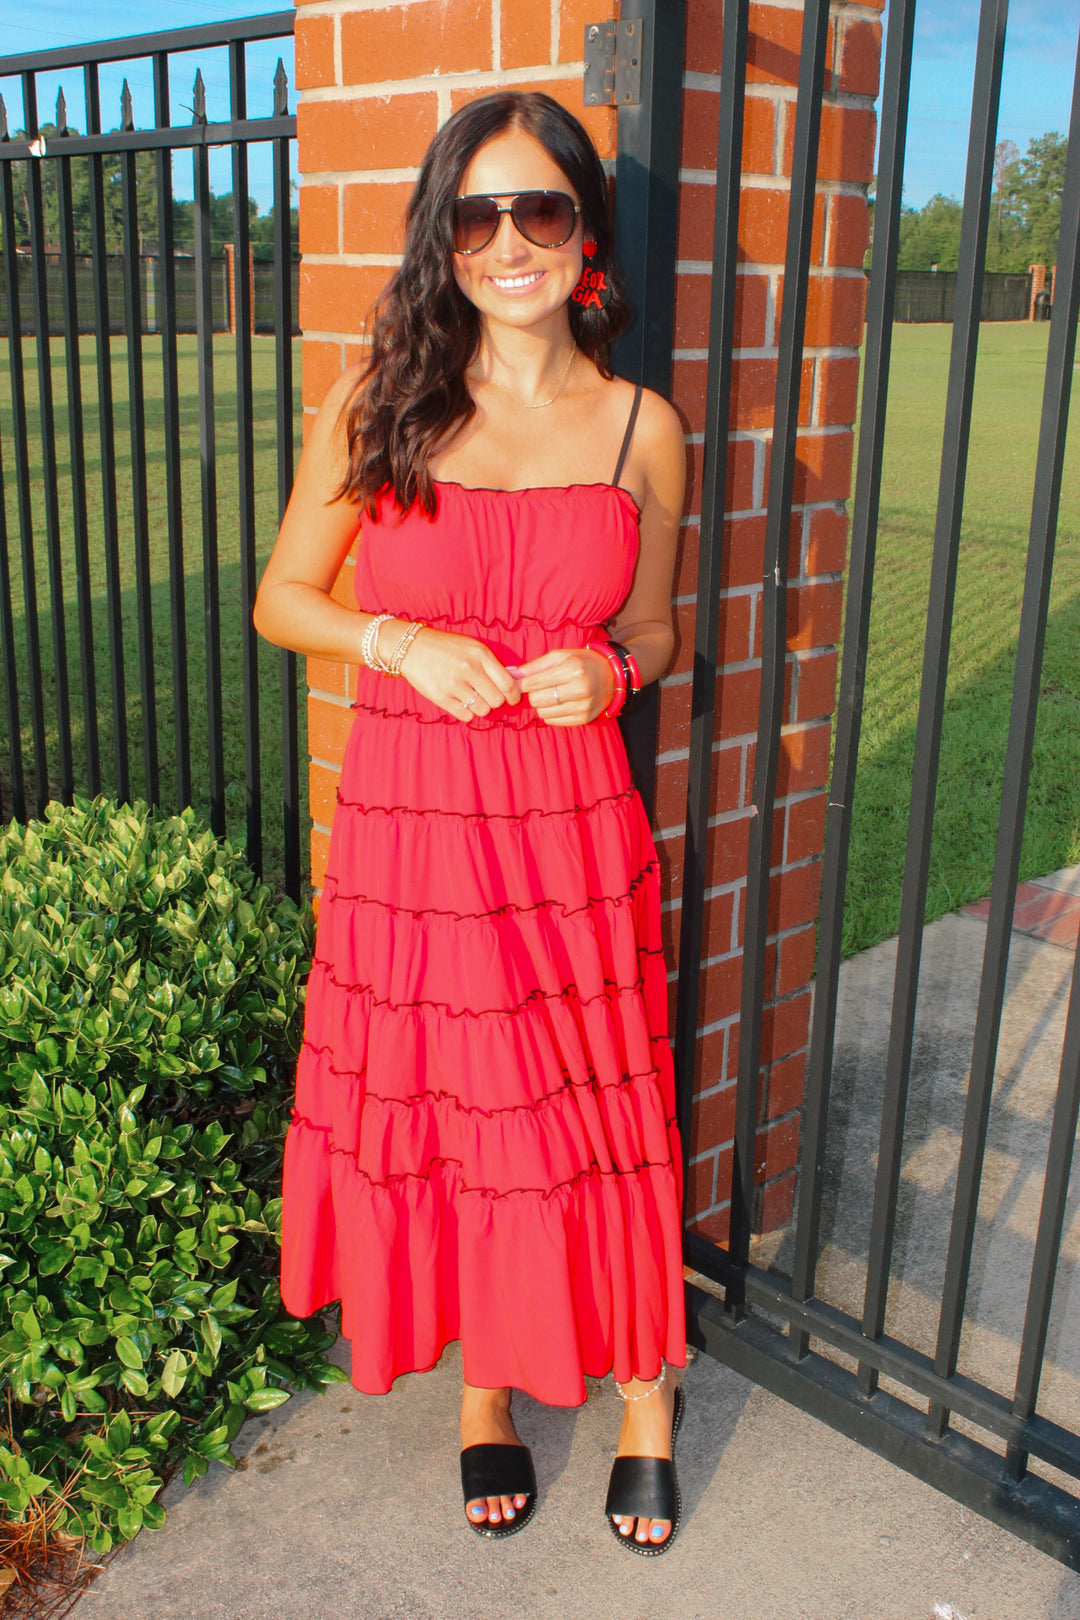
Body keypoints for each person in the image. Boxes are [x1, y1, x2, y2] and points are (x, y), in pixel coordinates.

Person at [253, 89, 688, 1555]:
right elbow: (282, 600)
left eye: (541, 210)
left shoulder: (642, 428)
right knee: (460, 1111)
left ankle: (643, 1398)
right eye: (478, 213)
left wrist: (610, 665)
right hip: (416, 829)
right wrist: (393, 645)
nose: (511, 241)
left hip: (565, 821)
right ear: (445, 238)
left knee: (591, 1094)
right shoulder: (378, 405)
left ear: (585, 237)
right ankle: (485, 1396)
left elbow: (660, 633)